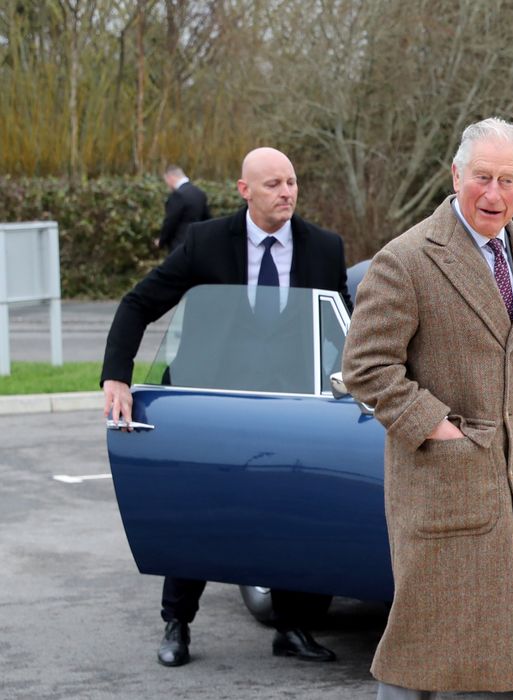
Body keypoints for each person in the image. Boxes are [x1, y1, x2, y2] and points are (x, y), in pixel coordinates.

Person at [342, 118, 513, 699]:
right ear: (456, 176)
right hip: (447, 492)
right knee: (429, 650)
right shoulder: (406, 259)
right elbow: (366, 366)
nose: (492, 193)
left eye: (506, 180)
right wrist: (438, 429)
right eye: (481, 177)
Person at [101, 147, 351, 667]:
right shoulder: (205, 242)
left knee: (289, 513)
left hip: (290, 408)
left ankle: (291, 628)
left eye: (291, 182)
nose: (287, 192)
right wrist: (117, 377)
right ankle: (177, 624)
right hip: (209, 407)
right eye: (273, 184)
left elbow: (344, 328)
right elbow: (139, 303)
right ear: (245, 191)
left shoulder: (324, 247)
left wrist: (362, 378)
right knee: (199, 513)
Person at [156, 165, 212, 253]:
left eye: (166, 180)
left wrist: (161, 241)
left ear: (171, 177)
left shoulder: (177, 195)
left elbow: (170, 222)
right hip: (197, 244)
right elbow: (207, 219)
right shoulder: (199, 193)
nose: (167, 184)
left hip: (179, 246)